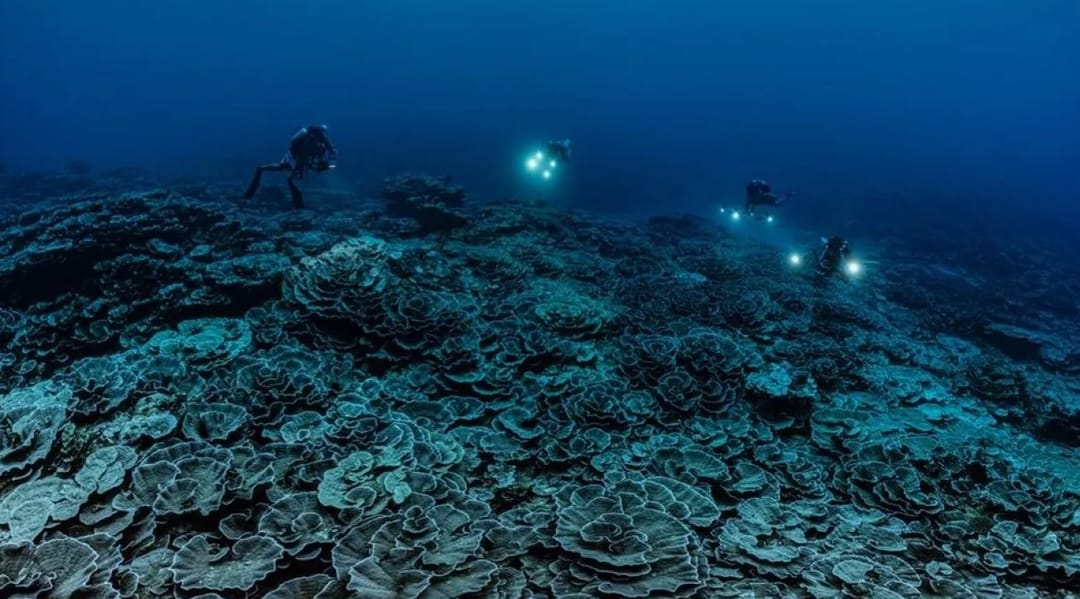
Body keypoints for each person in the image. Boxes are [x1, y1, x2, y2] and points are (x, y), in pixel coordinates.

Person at [243, 124, 337, 208]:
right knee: (286, 169)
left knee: (288, 171)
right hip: (296, 156)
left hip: (303, 158)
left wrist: (328, 164)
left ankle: (296, 199)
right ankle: (297, 201)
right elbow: (295, 150)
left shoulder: (321, 139)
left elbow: (331, 150)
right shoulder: (306, 139)